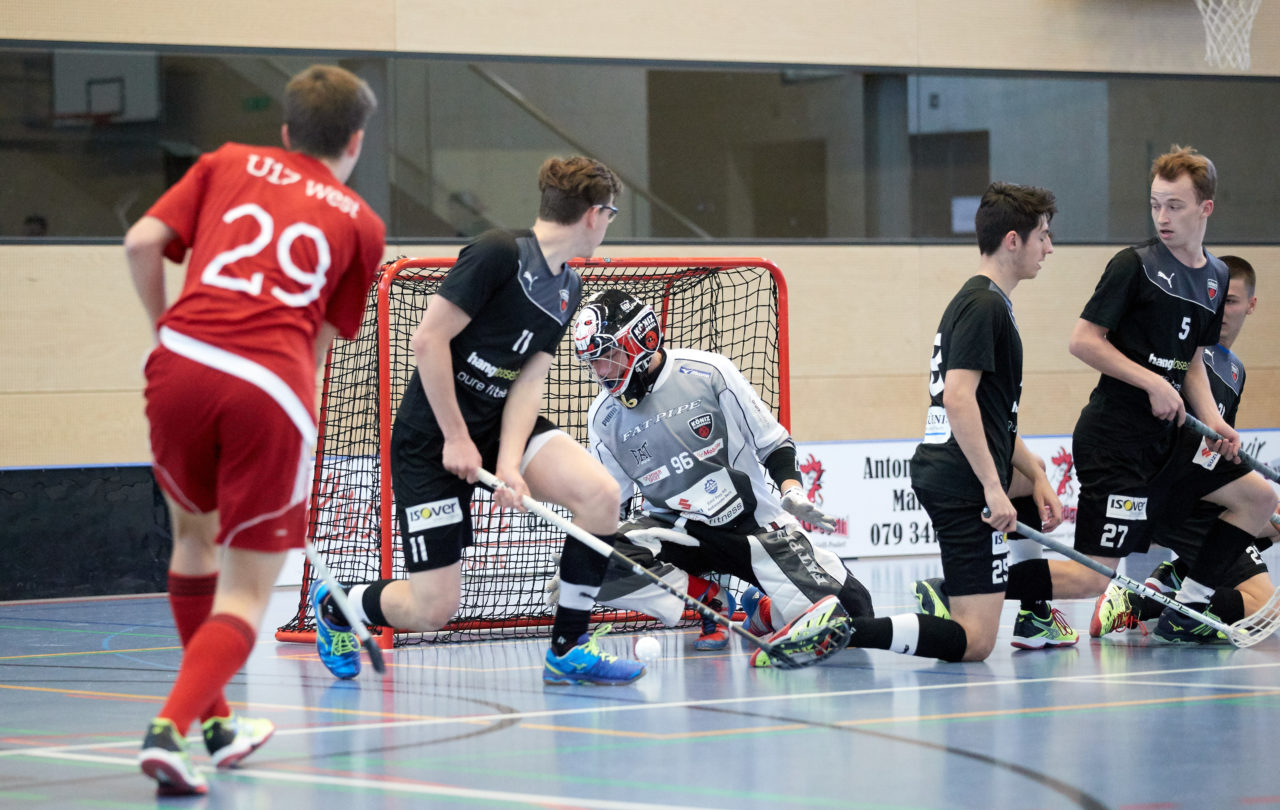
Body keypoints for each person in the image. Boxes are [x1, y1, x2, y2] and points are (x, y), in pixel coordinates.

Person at [127, 65, 386, 795]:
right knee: (246, 589)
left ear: (285, 131)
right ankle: (170, 731)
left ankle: (217, 725)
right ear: (356, 142)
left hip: (179, 364)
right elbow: (323, 343)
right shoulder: (361, 223)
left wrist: (165, 333)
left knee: (191, 540)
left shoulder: (225, 161)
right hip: (270, 385)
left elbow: (141, 244)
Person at [311, 156, 646, 687]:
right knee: (432, 609)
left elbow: (529, 380)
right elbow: (428, 341)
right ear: (592, 214)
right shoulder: (496, 254)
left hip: (495, 427)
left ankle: (568, 649)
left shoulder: (569, 289)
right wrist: (456, 437)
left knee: (600, 495)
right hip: (431, 439)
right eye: (610, 214)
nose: (609, 225)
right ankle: (336, 605)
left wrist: (509, 464)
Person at [568, 289, 871, 656]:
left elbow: (772, 442)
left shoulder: (708, 371)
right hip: (677, 534)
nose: (600, 372)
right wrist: (586, 558)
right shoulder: (602, 417)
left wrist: (792, 491)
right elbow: (610, 503)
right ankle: (708, 601)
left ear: (642, 339)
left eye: (608, 356)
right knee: (591, 554)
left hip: (752, 529)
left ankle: (764, 610)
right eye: (592, 362)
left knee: (856, 616)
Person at [1059, 146, 1276, 631]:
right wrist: (1151, 381)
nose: (1162, 216)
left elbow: (1194, 360)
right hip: (1119, 440)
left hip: (1168, 448)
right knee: (1089, 577)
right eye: (1155, 204)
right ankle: (962, 590)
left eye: (1174, 206)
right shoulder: (1132, 265)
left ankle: (1191, 604)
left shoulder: (1218, 278)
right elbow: (1082, 341)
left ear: (1206, 208)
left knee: (1260, 499)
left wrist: (1216, 423)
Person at [906, 181, 1071, 664]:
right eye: (1043, 235)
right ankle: (852, 629)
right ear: (1013, 240)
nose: (1050, 247)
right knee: (976, 643)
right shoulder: (984, 305)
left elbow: (994, 419)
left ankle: (1034, 612)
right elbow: (959, 400)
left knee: (1028, 470)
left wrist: (1034, 477)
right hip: (958, 480)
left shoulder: (985, 300)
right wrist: (993, 489)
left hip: (954, 469)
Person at [1091, 255, 1279, 641]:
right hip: (1179, 498)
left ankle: (1175, 577)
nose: (1222, 311)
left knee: (1273, 521)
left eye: (1232, 302)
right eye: (1218, 300)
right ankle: (1145, 602)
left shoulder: (1236, 370)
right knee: (1265, 610)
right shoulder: (1188, 355)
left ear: (1251, 306)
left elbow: (1219, 450)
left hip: (1201, 495)